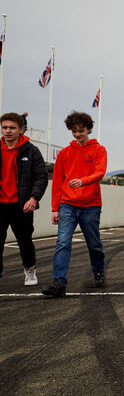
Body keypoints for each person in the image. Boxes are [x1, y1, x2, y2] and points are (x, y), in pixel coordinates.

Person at [42, 111, 107, 297]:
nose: (78, 134)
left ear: (89, 129)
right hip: (67, 205)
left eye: (81, 130)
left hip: (91, 205)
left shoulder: (98, 150)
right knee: (63, 242)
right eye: (74, 131)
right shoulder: (64, 153)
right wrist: (55, 208)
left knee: (93, 243)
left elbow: (101, 172)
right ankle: (59, 282)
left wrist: (83, 181)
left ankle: (99, 272)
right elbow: (57, 183)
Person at [0, 112, 48, 286]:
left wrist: (34, 198)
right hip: (0, 205)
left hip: (22, 205)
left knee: (25, 241)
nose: (8, 131)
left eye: (12, 128)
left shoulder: (31, 150)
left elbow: (41, 177)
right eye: (4, 127)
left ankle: (29, 270)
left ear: (21, 129)